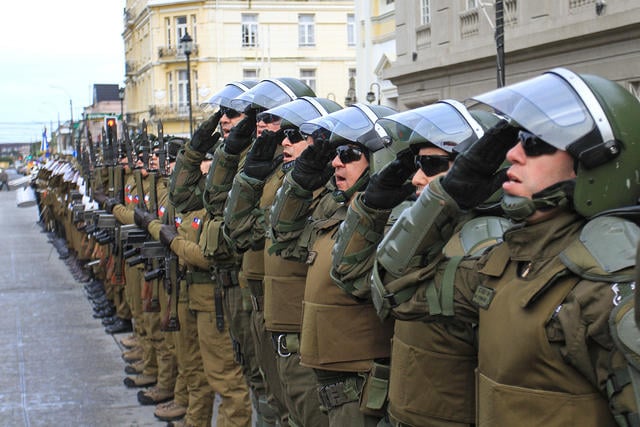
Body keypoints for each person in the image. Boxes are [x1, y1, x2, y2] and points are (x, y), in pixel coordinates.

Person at [375, 67, 640, 425]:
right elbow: (395, 291)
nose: (513, 154)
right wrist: (448, 195)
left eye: (535, 141)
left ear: (595, 161)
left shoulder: (609, 284)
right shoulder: (503, 263)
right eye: (517, 141)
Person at [332, 100, 509, 427]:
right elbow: (354, 278)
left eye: (432, 165)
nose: (416, 178)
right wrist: (370, 208)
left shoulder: (488, 245)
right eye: (417, 163)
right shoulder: (425, 235)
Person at [269, 103, 397, 426]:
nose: (336, 161)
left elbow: (355, 276)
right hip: (324, 377)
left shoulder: (387, 220)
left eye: (349, 154)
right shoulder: (334, 209)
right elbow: (282, 234)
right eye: (335, 153)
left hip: (358, 385)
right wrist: (300, 182)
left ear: (378, 162)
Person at [224, 96, 342, 427]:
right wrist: (247, 178)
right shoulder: (287, 188)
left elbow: (285, 241)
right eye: (284, 134)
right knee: (276, 407)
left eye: (296, 135)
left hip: (306, 340)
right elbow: (236, 230)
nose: (285, 142)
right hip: (273, 324)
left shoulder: (332, 197)